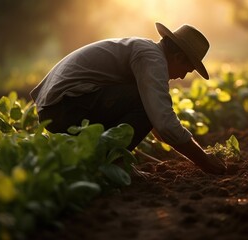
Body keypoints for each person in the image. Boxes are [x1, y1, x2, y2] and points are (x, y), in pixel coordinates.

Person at [30, 22, 227, 174]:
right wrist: (204, 161)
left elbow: (158, 126)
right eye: (187, 69)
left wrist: (190, 155)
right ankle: (112, 165)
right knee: (143, 101)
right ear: (179, 57)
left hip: (58, 106)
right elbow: (163, 122)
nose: (183, 76)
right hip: (66, 105)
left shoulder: (145, 51)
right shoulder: (152, 58)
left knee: (144, 103)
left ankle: (114, 162)